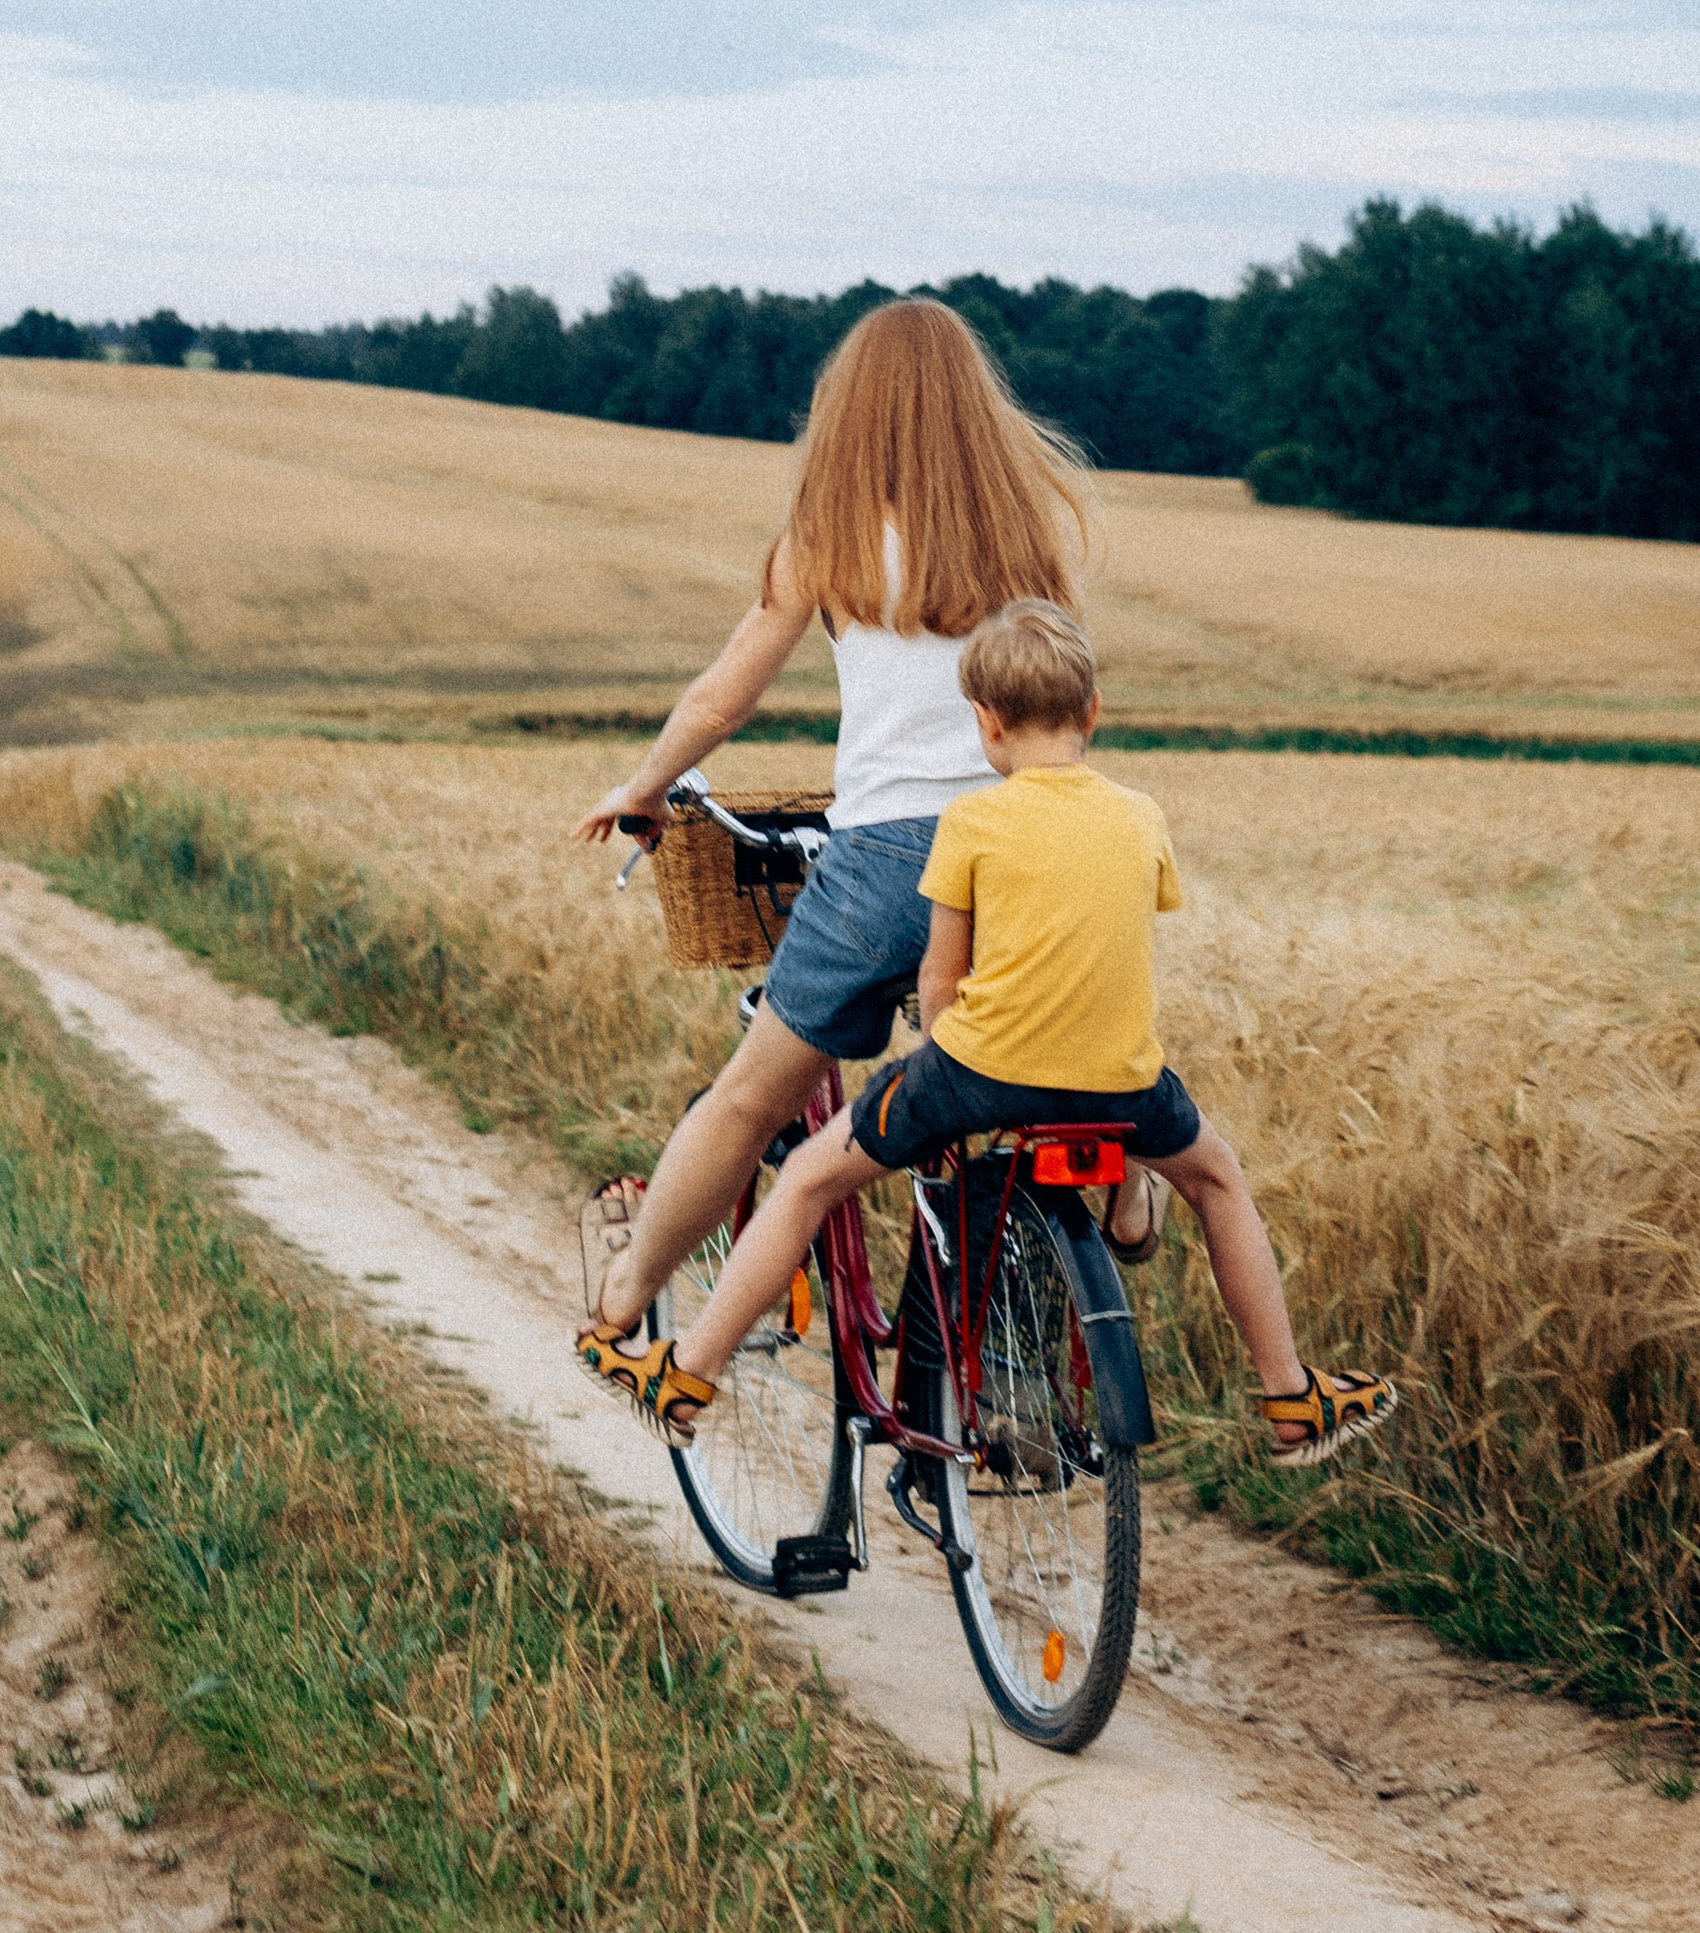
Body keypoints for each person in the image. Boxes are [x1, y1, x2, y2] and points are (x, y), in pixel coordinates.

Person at [587, 595, 1400, 1468]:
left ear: (984, 723)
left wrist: (940, 1070)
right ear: (1092, 712)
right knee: (1218, 1181)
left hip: (975, 1075)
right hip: (1123, 1083)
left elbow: (941, 976)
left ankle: (687, 1377)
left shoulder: (971, 823)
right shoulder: (1141, 817)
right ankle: (1289, 1396)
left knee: (810, 1180)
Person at [571, 293, 1094, 1367]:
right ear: (977, 407)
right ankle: (1057, 1309)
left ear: (847, 413)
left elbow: (722, 699)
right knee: (1055, 1076)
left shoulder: (829, 536)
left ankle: (626, 1296)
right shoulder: (1035, 528)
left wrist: (646, 785)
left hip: (886, 866)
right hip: (1035, 849)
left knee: (749, 1100)